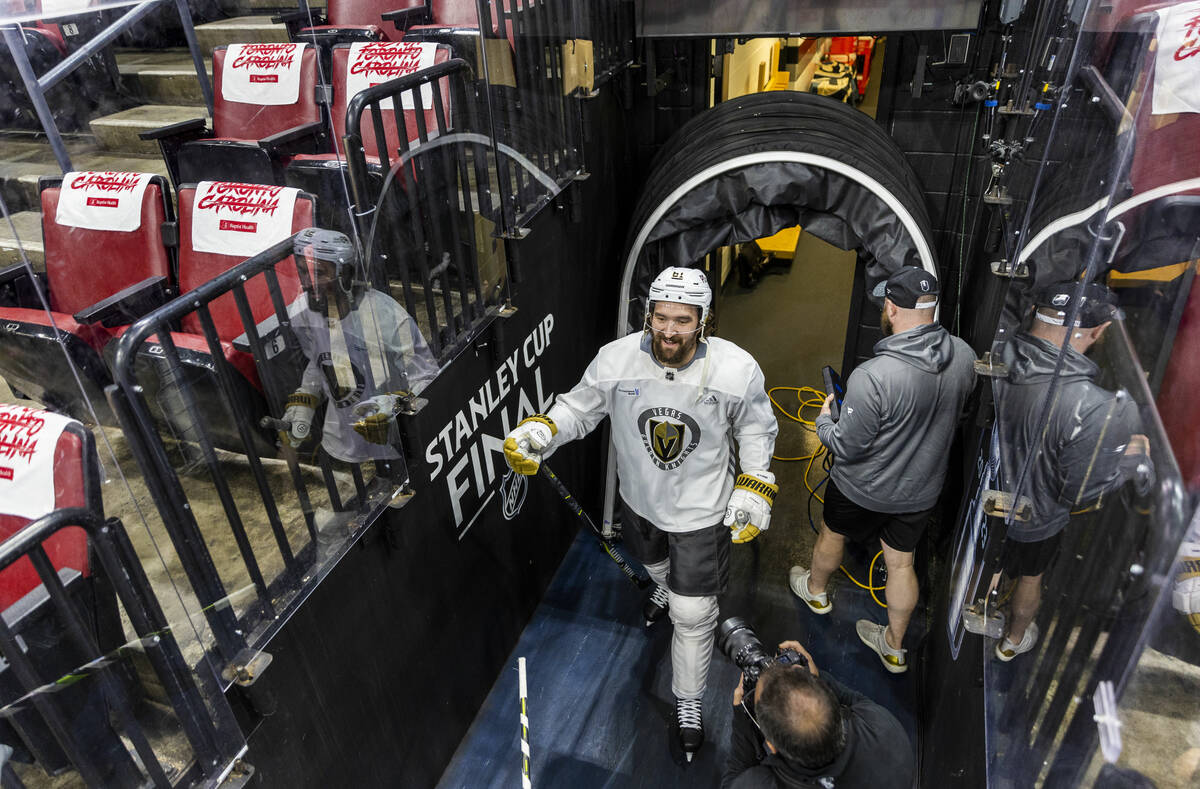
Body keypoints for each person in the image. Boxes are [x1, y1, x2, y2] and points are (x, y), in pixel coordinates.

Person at [502, 266, 778, 759]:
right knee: (657, 574)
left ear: (705, 320)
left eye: (683, 320)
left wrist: (755, 485)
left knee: (693, 615)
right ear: (648, 313)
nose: (670, 330)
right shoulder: (617, 359)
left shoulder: (737, 371)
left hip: (701, 515)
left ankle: (688, 701)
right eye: (661, 317)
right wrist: (542, 430)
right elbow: (579, 409)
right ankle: (663, 588)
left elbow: (757, 430)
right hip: (640, 504)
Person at [789, 267, 975, 674]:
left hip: (860, 489)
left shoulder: (873, 376)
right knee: (902, 564)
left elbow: (844, 445)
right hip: (920, 492)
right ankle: (894, 646)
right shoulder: (964, 356)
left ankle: (816, 591)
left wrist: (824, 420)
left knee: (831, 532)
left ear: (891, 308)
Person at [991, 281, 1151, 660]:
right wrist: (1125, 461)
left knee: (987, 566)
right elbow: (1078, 493)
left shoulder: (996, 349)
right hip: (1036, 520)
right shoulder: (1100, 408)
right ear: (1099, 331)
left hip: (984, 499)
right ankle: (1012, 642)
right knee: (1031, 577)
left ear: (1035, 312)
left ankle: (975, 615)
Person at [281, 227, 438, 466]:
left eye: (319, 273)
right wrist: (305, 400)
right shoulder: (301, 311)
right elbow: (319, 362)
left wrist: (394, 408)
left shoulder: (387, 318)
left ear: (344, 273)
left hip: (392, 445)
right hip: (339, 443)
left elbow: (428, 378)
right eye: (303, 271)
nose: (308, 283)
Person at [724, 639, 914, 788]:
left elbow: (733, 780)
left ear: (772, 747)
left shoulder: (758, 784)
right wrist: (817, 677)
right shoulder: (884, 730)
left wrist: (743, 722)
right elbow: (852, 699)